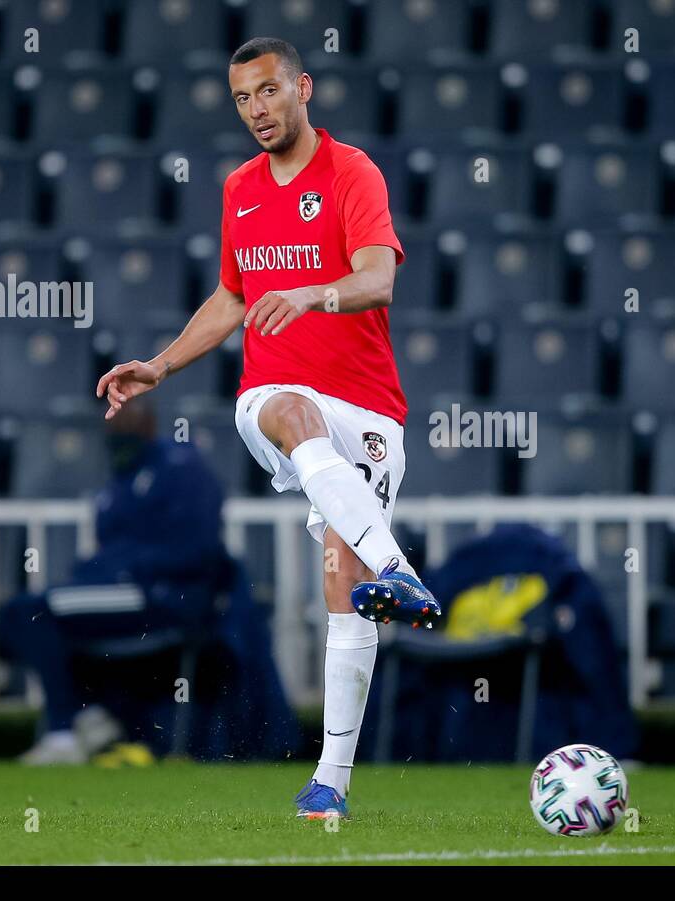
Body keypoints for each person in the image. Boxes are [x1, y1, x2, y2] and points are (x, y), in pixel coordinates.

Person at [95, 37, 441, 819]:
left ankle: (331, 785)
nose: (256, 110)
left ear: (302, 88)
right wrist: (161, 364)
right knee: (288, 408)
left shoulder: (353, 173)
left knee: (344, 594)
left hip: (372, 414)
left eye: (267, 92)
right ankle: (404, 569)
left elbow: (379, 276)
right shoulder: (240, 188)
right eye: (243, 98)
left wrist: (314, 295)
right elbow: (230, 297)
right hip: (277, 396)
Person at [3, 399, 230, 764]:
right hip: (124, 591)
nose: (118, 427)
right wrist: (98, 570)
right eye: (112, 419)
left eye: (127, 417)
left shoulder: (182, 470)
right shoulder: (120, 480)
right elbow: (111, 548)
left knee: (35, 611)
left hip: (163, 597)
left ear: (150, 422)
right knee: (21, 613)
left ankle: (66, 729)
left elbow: (198, 551)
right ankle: (87, 713)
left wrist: (124, 568)